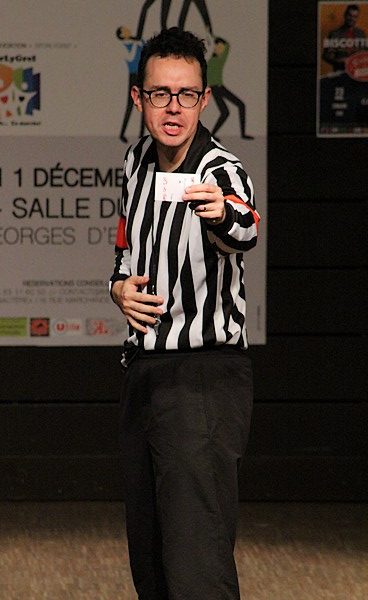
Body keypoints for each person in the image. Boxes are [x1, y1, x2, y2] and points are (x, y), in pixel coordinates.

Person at [110, 27, 259, 600]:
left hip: (203, 381)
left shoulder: (221, 170)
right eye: (160, 93)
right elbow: (126, 248)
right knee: (150, 561)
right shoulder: (136, 161)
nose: (174, 108)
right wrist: (118, 288)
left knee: (196, 562)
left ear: (204, 98)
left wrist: (222, 212)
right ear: (138, 98)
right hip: (144, 374)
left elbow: (244, 226)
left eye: (187, 94)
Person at [207, 37, 253, 140]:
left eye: (221, 47)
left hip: (219, 88)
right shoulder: (211, 61)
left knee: (234, 108)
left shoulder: (220, 59)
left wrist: (214, 37)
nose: (220, 49)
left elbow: (227, 46)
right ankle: (212, 135)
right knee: (227, 112)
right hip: (216, 88)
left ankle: (242, 134)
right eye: (218, 47)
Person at [116, 26, 145, 143]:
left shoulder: (136, 40)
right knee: (130, 105)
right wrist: (135, 44)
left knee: (145, 104)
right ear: (122, 35)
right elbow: (130, 58)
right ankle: (122, 133)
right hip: (133, 75)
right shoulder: (125, 45)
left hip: (142, 74)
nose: (128, 30)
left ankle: (142, 135)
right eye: (124, 30)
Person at [322, 3, 367, 72]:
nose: (352, 19)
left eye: (355, 16)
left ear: (357, 18)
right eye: (350, 15)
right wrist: (338, 61)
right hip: (340, 72)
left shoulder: (361, 34)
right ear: (345, 15)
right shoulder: (334, 34)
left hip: (357, 73)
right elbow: (326, 56)